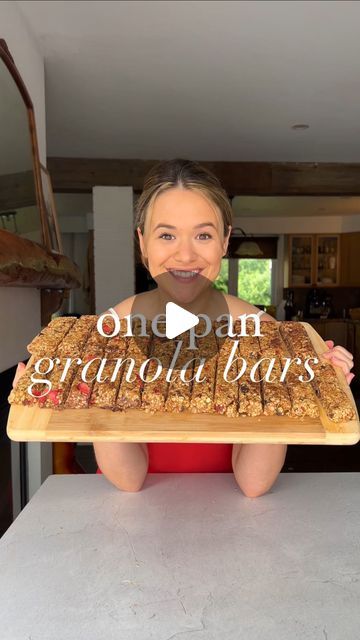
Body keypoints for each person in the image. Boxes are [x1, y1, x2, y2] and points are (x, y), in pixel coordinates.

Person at [12, 159, 355, 497]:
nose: (186, 255)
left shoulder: (260, 334)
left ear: (224, 241)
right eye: (166, 235)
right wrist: (74, 388)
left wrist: (300, 386)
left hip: (230, 519)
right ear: (143, 242)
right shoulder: (109, 334)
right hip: (136, 523)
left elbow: (254, 484)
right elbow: (129, 480)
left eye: (203, 234)